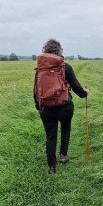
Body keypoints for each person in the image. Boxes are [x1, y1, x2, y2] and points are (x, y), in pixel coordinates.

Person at [33, 38, 89, 174]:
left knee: (51, 136)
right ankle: (63, 156)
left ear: (45, 51)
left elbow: (35, 91)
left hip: (46, 108)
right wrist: (85, 93)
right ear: (59, 51)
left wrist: (38, 108)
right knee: (65, 129)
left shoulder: (40, 69)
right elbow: (77, 88)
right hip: (65, 107)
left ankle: (51, 167)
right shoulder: (65, 67)